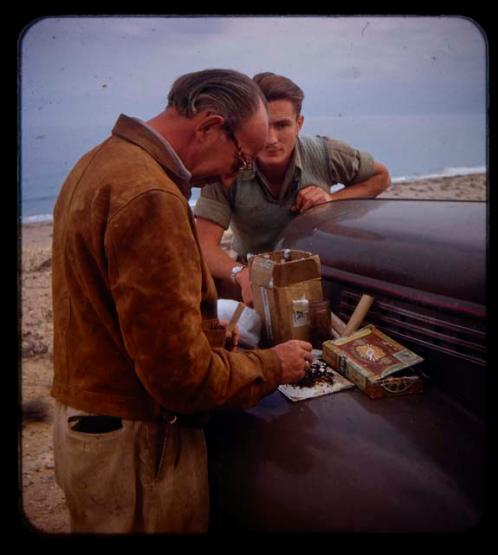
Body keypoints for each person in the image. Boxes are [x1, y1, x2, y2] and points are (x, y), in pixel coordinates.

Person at [50, 69, 313, 534]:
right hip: (136, 445)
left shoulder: (100, 161)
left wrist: (213, 321)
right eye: (241, 157)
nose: (237, 175)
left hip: (94, 428)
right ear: (210, 126)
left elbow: (119, 310)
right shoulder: (152, 195)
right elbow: (181, 379)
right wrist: (273, 366)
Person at [194, 72, 391, 306]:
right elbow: (203, 245)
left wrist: (332, 199)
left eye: (282, 125)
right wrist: (242, 274)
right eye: (263, 126)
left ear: (299, 124)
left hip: (318, 276)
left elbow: (381, 177)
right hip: (252, 278)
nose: (271, 139)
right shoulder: (227, 166)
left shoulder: (325, 153)